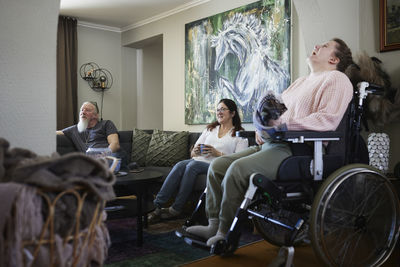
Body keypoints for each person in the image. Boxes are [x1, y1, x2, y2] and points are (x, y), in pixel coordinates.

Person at [186, 38, 355, 246]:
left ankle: (223, 232)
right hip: (272, 144)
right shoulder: (301, 82)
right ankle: (212, 224)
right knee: (218, 166)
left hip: (297, 149)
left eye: (325, 46)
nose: (317, 45)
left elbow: (327, 120)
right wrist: (262, 127)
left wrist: (281, 126)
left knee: (237, 170)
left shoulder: (337, 79)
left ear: (334, 59)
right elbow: (275, 111)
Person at [148, 99, 249, 222]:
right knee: (180, 165)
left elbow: (238, 161)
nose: (219, 112)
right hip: (198, 161)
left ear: (233, 113)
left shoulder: (239, 134)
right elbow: (192, 154)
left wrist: (217, 153)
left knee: (192, 166)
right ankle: (157, 206)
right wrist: (195, 151)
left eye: (223, 109)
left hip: (217, 166)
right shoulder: (210, 129)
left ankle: (176, 208)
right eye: (217, 110)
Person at [56, 101, 126, 166]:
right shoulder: (74, 129)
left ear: (96, 115)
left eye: (87, 110)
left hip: (110, 159)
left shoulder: (106, 124)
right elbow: (54, 133)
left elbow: (115, 145)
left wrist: (102, 156)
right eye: (82, 110)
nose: (83, 112)